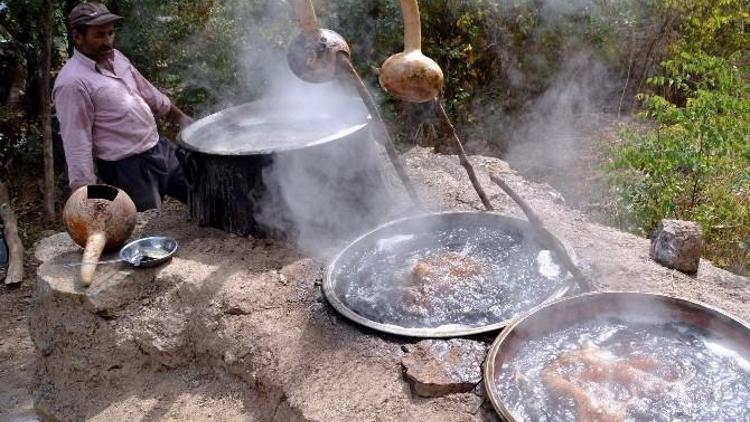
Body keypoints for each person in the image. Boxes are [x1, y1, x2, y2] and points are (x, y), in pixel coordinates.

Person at [54, 1, 193, 211]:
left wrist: (183, 119)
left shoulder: (116, 57)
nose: (108, 41)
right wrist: (84, 196)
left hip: (158, 148)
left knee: (200, 192)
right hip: (127, 170)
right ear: (77, 37)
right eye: (99, 35)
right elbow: (77, 144)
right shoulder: (72, 83)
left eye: (110, 33)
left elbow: (150, 93)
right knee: (149, 226)